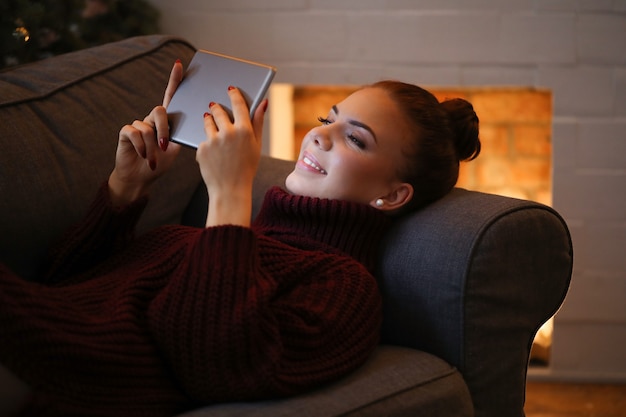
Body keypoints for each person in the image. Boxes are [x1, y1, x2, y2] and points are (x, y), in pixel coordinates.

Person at [0, 60, 480, 416]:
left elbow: (219, 367)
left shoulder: (344, 288)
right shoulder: (232, 239)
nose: (319, 137)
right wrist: (127, 187)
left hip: (50, 373)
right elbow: (59, 286)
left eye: (355, 138)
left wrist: (228, 192)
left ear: (392, 196)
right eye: (326, 120)